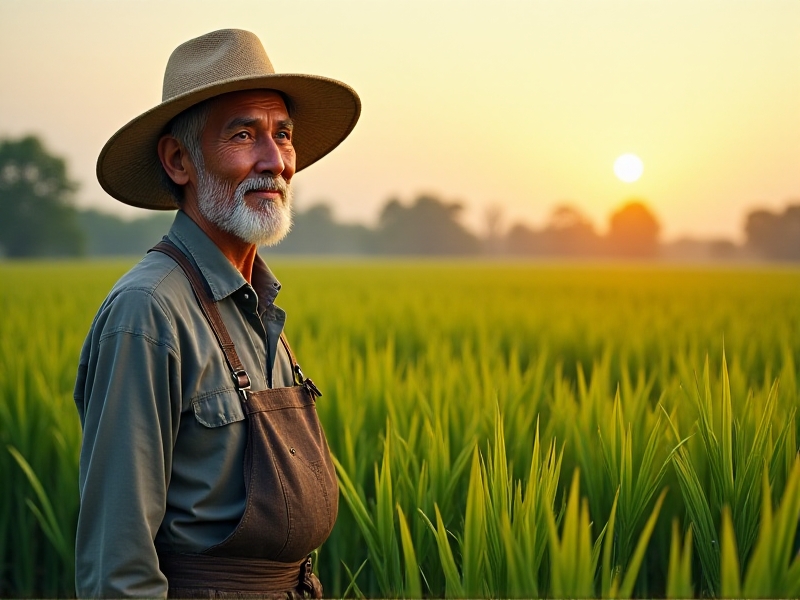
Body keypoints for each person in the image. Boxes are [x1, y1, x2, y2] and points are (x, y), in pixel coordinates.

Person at [74, 29, 360, 598]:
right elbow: (118, 567)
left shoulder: (257, 304)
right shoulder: (149, 313)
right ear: (180, 160)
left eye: (282, 135)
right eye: (243, 134)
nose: (274, 161)